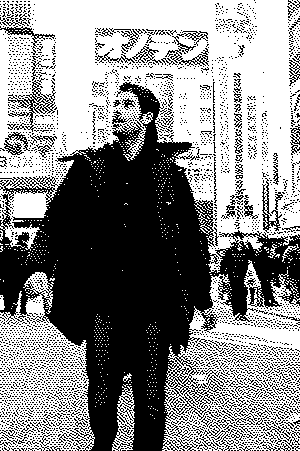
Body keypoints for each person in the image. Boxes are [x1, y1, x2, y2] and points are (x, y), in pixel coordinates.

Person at [24, 82, 216, 451]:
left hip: (154, 300)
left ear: (147, 118)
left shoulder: (170, 175)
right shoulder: (88, 168)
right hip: (103, 298)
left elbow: (191, 238)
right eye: (114, 104)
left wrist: (202, 299)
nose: (115, 111)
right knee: (101, 390)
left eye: (126, 105)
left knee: (150, 396)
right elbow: (57, 220)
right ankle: (103, 442)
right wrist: (37, 267)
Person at [220, 231, 254, 320]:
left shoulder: (246, 250)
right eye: (236, 238)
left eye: (239, 238)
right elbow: (224, 263)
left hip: (244, 275)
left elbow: (253, 257)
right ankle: (236, 312)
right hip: (233, 275)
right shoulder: (229, 251)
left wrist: (249, 245)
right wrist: (223, 275)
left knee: (243, 294)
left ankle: (243, 312)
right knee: (235, 293)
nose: (238, 240)